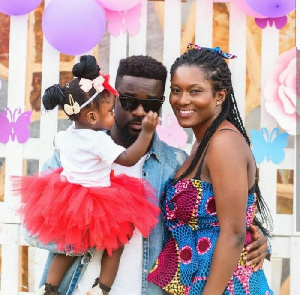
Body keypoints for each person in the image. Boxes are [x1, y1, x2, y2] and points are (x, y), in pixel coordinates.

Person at [25, 55, 270, 295]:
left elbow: (221, 225)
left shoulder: (175, 164)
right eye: (130, 102)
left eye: (152, 104)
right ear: (111, 99)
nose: (141, 112)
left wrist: (260, 243)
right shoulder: (69, 159)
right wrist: (98, 228)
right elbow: (33, 230)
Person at [13, 55, 161, 295]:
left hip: (70, 201)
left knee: (67, 248)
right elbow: (128, 158)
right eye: (110, 112)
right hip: (99, 201)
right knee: (117, 244)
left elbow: (59, 146)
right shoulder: (98, 141)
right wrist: (146, 132)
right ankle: (102, 287)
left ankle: (50, 288)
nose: (113, 116)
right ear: (92, 117)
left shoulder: (64, 136)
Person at [146, 44, 273, 294]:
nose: (182, 100)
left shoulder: (223, 143)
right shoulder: (204, 142)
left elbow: (234, 234)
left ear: (219, 96)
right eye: (176, 90)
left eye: (195, 91)